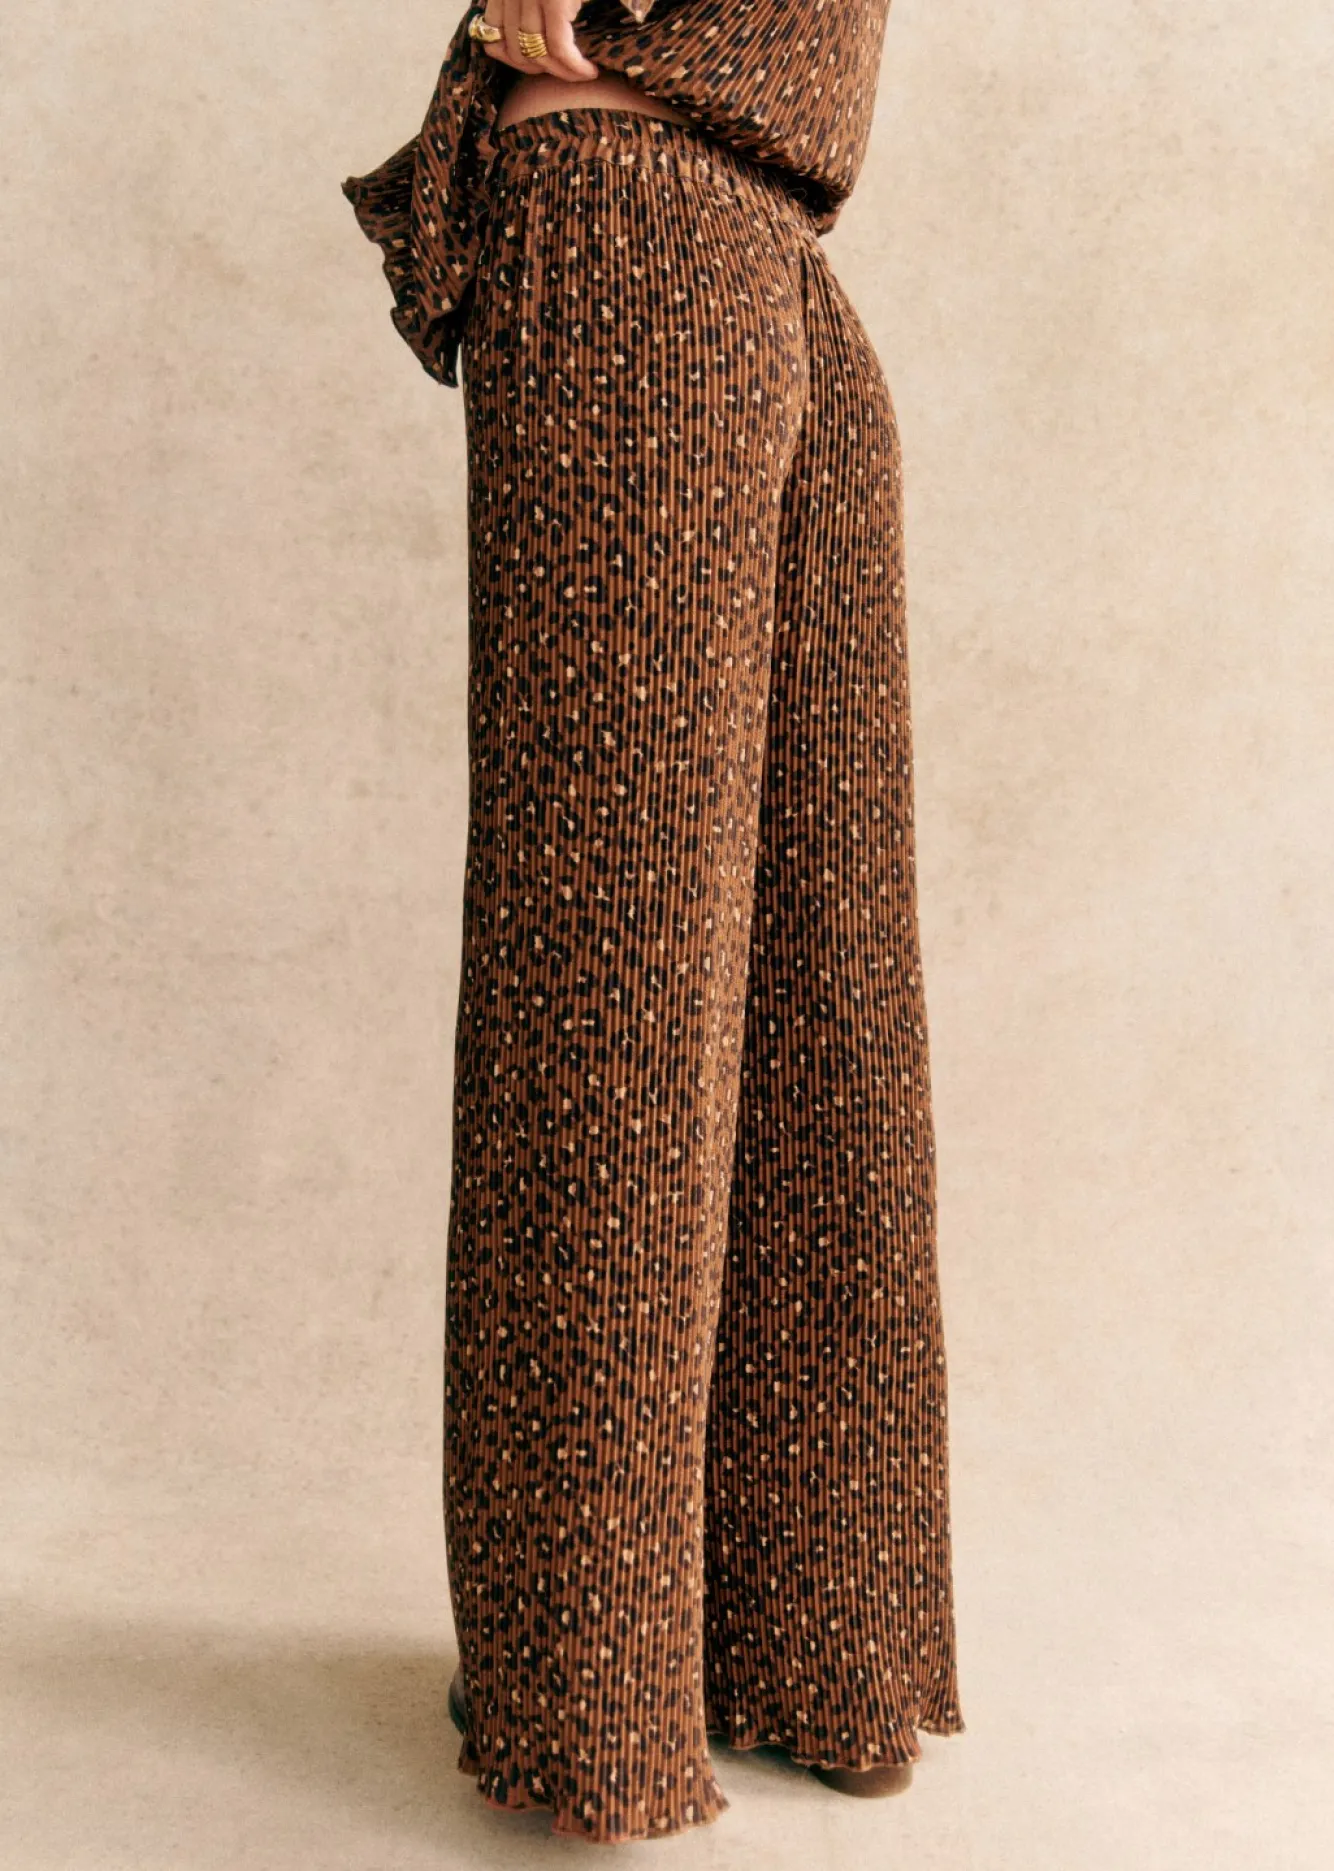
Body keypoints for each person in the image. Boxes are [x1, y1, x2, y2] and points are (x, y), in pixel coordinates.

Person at [342, 0, 964, 1843]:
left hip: (759, 240)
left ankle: (793, 1643)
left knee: (803, 996)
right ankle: (594, 1684)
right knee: (617, 989)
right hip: (626, 215)